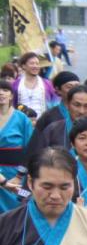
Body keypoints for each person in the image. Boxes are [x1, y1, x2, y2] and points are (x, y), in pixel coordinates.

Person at [30, 84, 87, 157]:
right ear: (68, 105)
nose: (81, 111)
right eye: (77, 105)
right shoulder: (53, 130)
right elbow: (36, 157)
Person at [0, 79, 35, 213]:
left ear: (11, 95)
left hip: (16, 174)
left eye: (5, 90)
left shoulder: (21, 118)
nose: (1, 93)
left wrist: (20, 176)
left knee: (18, 210)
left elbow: (30, 150)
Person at [14, 52, 56, 117]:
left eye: (37, 63)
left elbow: (55, 103)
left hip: (43, 123)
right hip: (21, 122)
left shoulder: (47, 84)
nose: (35, 66)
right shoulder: (15, 85)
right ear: (23, 66)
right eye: (32, 63)